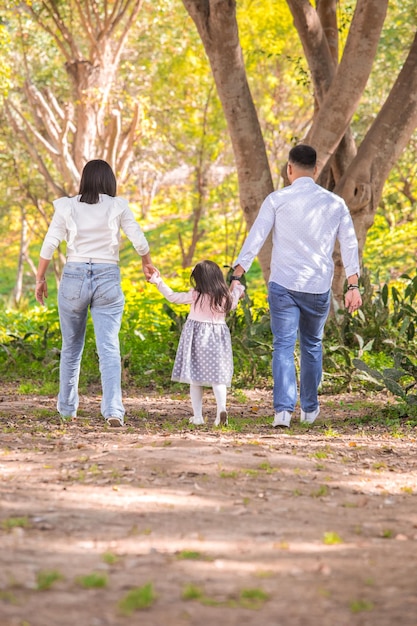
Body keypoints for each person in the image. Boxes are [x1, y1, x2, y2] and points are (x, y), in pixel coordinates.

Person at [232, 144, 362, 428]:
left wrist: (238, 271)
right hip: (317, 286)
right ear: (316, 170)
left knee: (283, 345)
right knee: (312, 344)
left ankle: (282, 412)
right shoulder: (334, 203)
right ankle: (310, 409)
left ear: (289, 169)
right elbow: (350, 244)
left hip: (284, 285)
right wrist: (353, 284)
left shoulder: (277, 199)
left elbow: (256, 236)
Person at [35, 159, 155, 427]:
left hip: (74, 275)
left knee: (71, 347)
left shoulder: (67, 206)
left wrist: (40, 277)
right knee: (109, 347)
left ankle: (67, 409)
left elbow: (50, 242)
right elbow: (138, 238)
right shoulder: (117, 205)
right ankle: (113, 410)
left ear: (85, 180)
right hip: (107, 277)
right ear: (108, 181)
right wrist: (147, 263)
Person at [148, 260, 245, 426]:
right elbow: (235, 298)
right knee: (218, 378)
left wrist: (158, 281)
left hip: (197, 339)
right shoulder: (224, 297)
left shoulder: (196, 295)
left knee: (195, 378)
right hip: (218, 340)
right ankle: (221, 409)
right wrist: (237, 288)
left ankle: (198, 417)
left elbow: (173, 297)